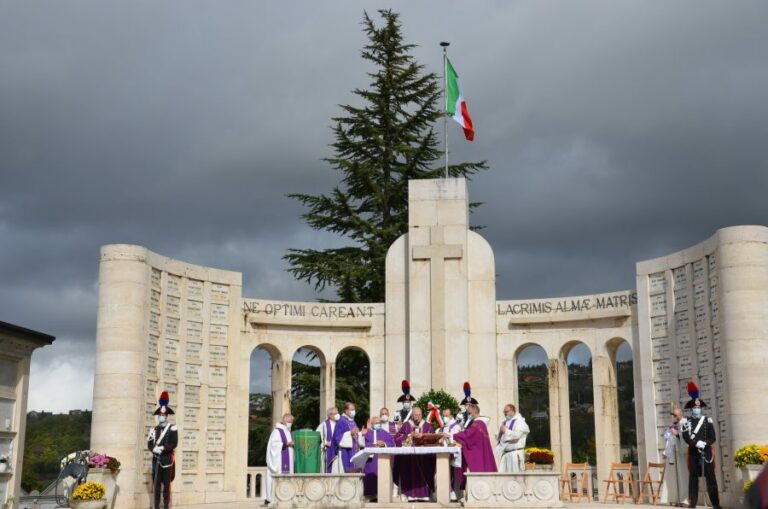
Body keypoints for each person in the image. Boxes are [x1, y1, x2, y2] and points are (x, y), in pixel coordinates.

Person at [681, 381, 720, 509]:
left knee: (711, 478)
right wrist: (695, 443)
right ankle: (693, 503)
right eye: (695, 408)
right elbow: (686, 436)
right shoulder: (686, 421)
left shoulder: (707, 420)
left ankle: (715, 504)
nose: (697, 409)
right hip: (693, 452)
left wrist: (706, 443)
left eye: (698, 408)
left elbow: (713, 437)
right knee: (693, 478)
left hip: (706, 452)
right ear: (691, 409)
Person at [451, 402, 498, 488]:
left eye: (469, 413)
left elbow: (468, 435)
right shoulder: (480, 424)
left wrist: (452, 435)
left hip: (477, 455)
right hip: (480, 452)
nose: (469, 415)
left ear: (475, 412)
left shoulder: (477, 424)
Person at [394, 406, 435, 501]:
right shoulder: (406, 425)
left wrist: (423, 436)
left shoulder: (427, 426)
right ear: (412, 415)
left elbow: (433, 437)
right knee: (408, 472)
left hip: (425, 458)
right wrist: (410, 436)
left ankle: (425, 495)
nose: (418, 416)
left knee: (426, 471)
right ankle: (409, 495)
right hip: (409, 458)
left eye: (420, 414)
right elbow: (398, 438)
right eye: (416, 415)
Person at [147, 391, 178, 509]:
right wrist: (153, 449)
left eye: (163, 415)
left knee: (166, 484)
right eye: (160, 414)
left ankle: (165, 506)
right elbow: (149, 443)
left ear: (166, 416)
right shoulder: (154, 429)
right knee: (156, 485)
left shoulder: (172, 428)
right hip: (156, 460)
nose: (161, 416)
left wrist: (163, 448)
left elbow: (174, 443)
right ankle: (156, 505)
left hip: (166, 460)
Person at [360, 415, 396, 500]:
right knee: (370, 476)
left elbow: (392, 443)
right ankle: (370, 495)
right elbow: (362, 444)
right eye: (376, 423)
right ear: (371, 424)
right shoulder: (367, 432)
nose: (378, 424)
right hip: (371, 460)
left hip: (382, 459)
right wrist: (373, 444)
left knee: (382, 476)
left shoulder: (384, 432)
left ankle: (382, 495)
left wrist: (383, 444)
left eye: (379, 423)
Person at [265, 414, 294, 505]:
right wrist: (286, 444)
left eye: (291, 422)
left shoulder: (288, 432)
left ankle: (286, 496)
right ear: (284, 420)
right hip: (279, 461)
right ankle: (272, 498)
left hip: (288, 460)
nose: (290, 424)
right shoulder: (277, 431)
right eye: (289, 422)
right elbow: (274, 445)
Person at [663, 405, 689, 507]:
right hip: (673, 453)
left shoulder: (685, 423)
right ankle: (675, 498)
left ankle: (684, 499)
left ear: (680, 413)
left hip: (681, 453)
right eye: (673, 415)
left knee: (682, 476)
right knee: (673, 477)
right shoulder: (674, 424)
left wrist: (677, 434)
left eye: (675, 414)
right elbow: (667, 438)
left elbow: (687, 438)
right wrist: (669, 434)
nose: (674, 417)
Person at [496, 404, 530, 473]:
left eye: (506, 411)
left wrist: (506, 431)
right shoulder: (505, 422)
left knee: (515, 479)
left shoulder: (520, 422)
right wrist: (500, 431)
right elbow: (498, 437)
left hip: (515, 454)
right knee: (503, 479)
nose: (505, 414)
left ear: (512, 411)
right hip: (505, 454)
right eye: (504, 412)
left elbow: (516, 436)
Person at [440, 408, 462, 501]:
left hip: (453, 453)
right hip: (444, 452)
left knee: (453, 473)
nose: (445, 418)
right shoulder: (444, 426)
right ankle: (446, 492)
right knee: (445, 472)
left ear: (451, 415)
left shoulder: (455, 425)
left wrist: (448, 436)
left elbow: (458, 438)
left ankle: (453, 493)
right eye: (444, 416)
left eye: (447, 416)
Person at [332, 402, 360, 472]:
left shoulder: (353, 421)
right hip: (346, 451)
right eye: (352, 410)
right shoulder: (341, 421)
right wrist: (350, 433)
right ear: (346, 410)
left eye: (354, 410)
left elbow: (356, 436)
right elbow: (337, 437)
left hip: (355, 450)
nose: (354, 411)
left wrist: (361, 433)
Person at [316, 407, 340, 473]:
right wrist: (325, 443)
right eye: (335, 413)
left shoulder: (340, 424)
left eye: (337, 413)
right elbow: (317, 436)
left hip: (339, 451)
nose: (337, 415)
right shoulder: (324, 425)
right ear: (330, 415)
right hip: (328, 451)